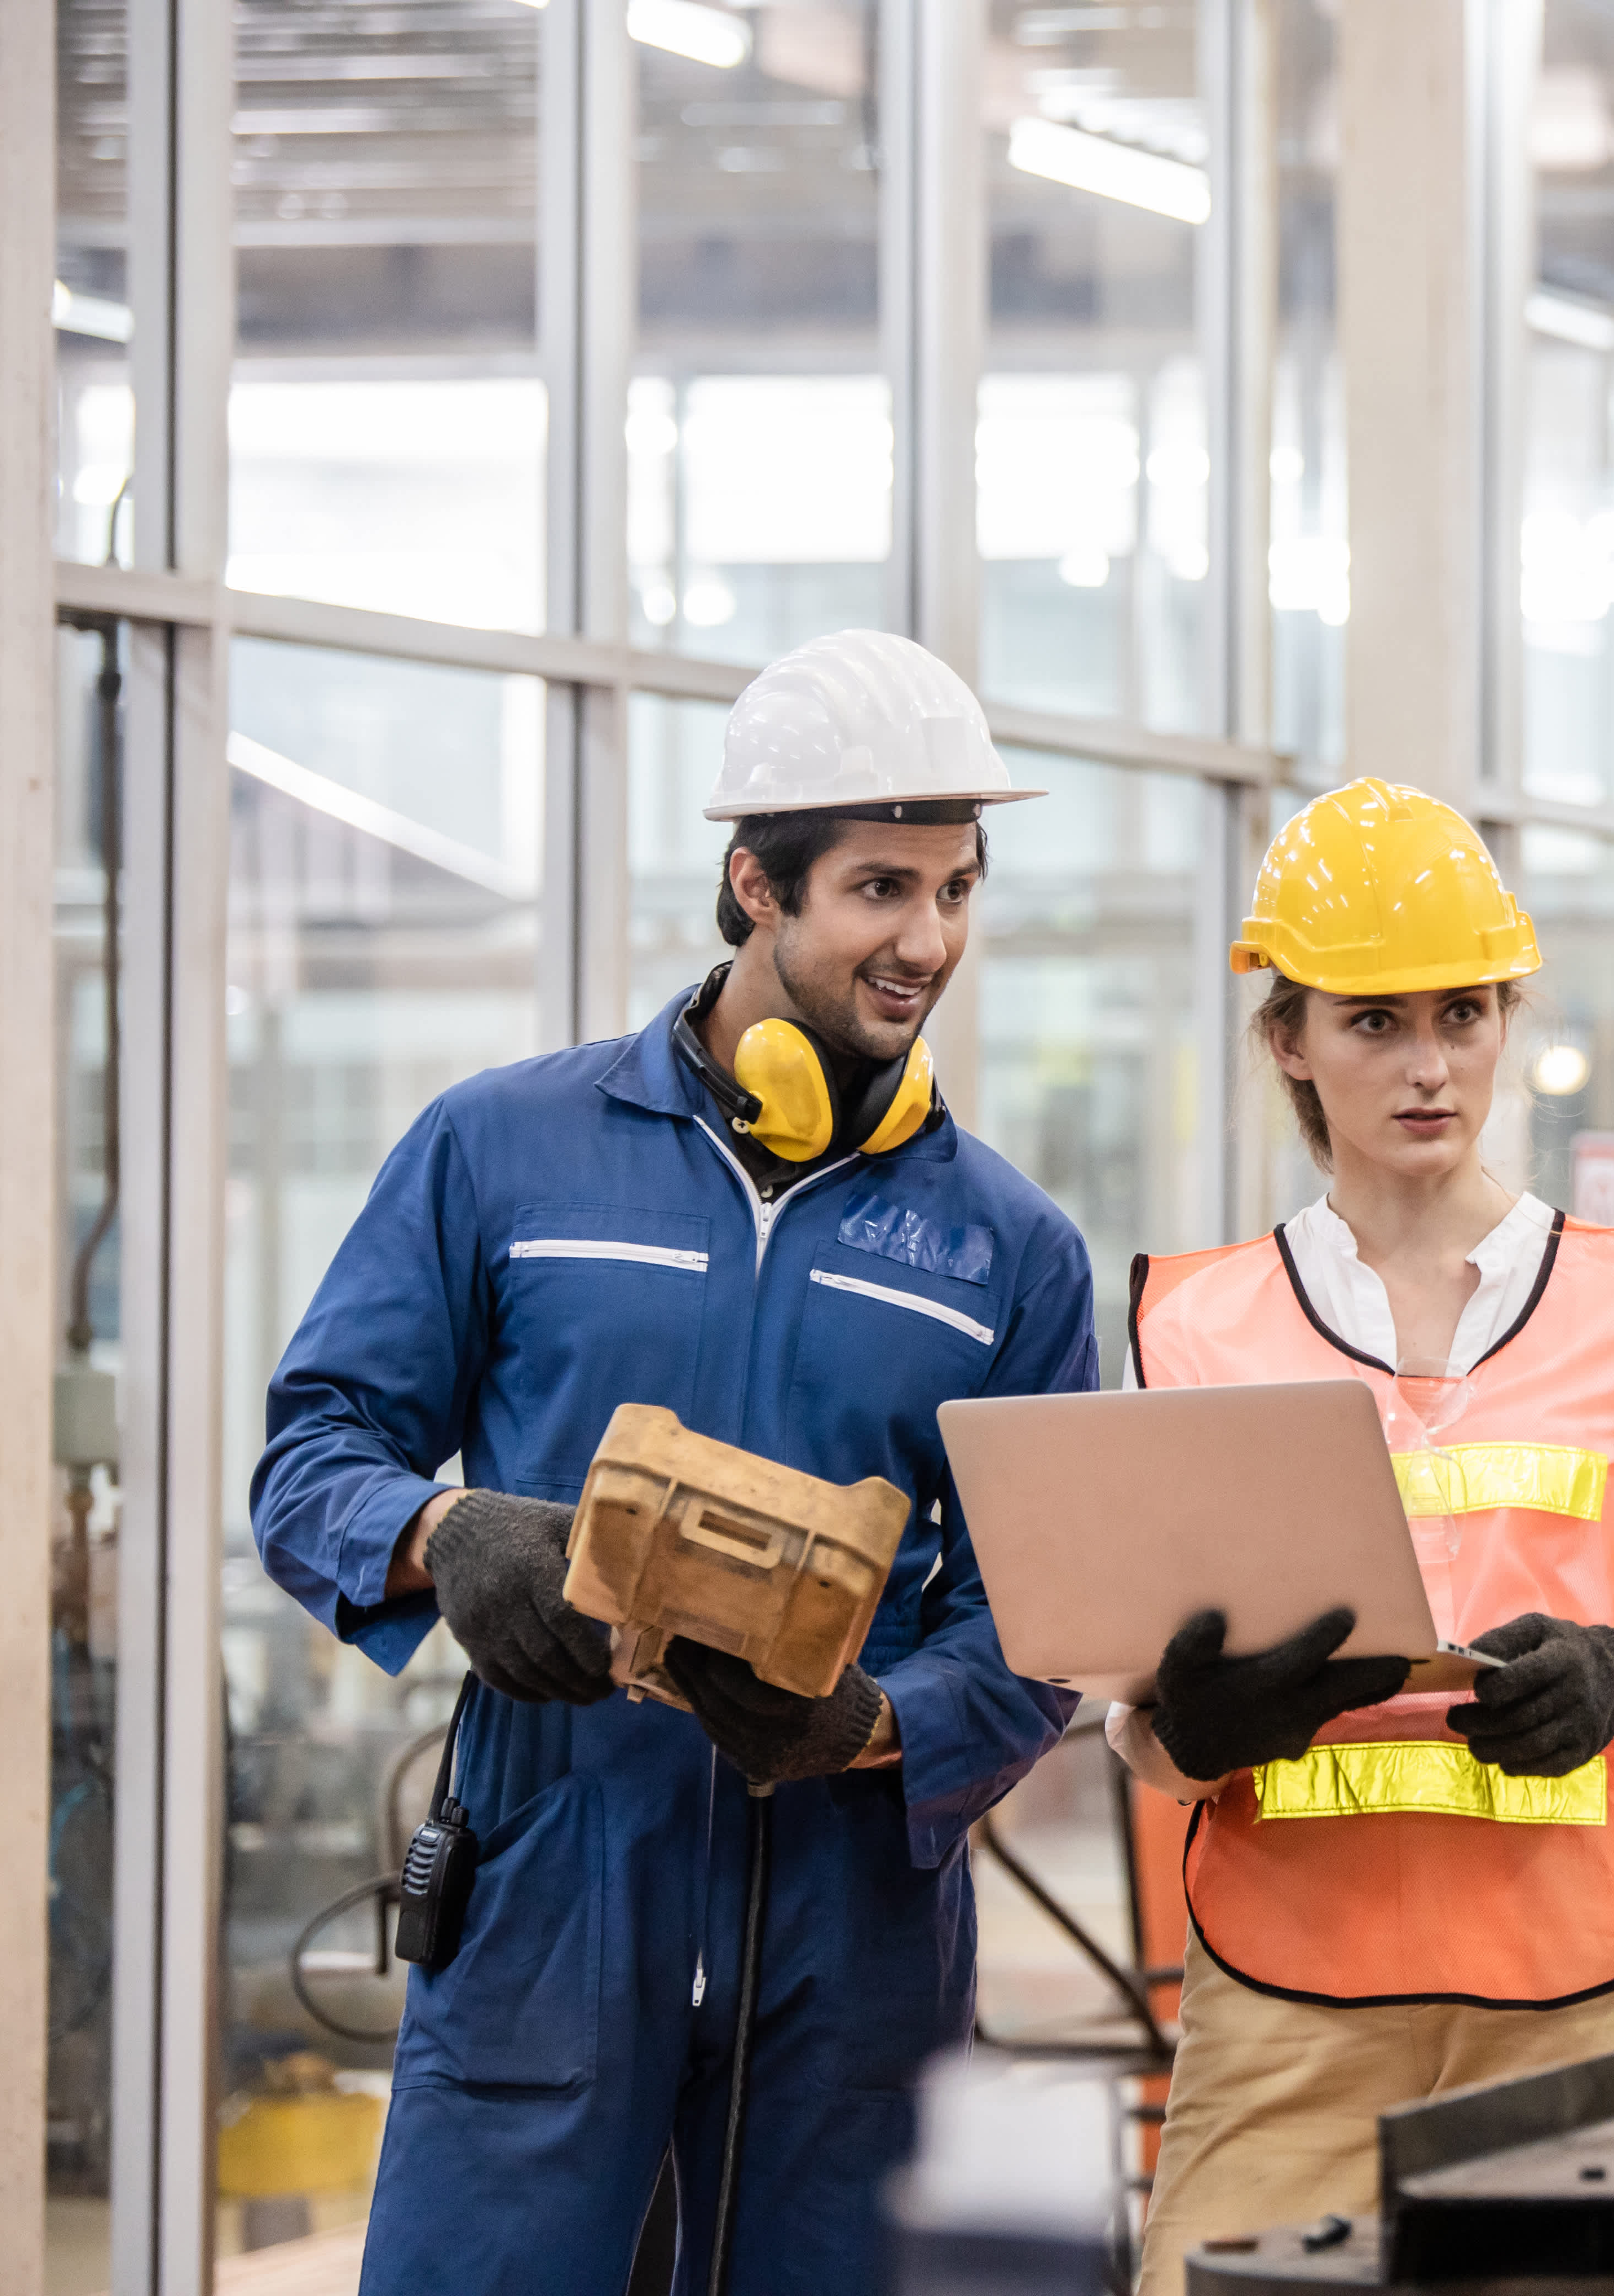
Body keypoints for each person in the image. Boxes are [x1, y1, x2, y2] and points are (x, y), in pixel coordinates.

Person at [252, 630, 1099, 2295]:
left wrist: (874, 1727)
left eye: (955, 890)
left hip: (851, 1955)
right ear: (755, 888)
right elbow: (311, 1456)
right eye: (878, 890)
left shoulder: (1011, 1251)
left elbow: (1038, 1626)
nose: (926, 939)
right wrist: (448, 1535)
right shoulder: (504, 1151)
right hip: (550, 1914)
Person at [1115, 778, 1614, 2295]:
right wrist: (1192, 1730)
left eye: (1464, 1014)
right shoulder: (1194, 1325)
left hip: (1573, 2001)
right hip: (1287, 2005)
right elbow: (1141, 1739)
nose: (1430, 1065)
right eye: (1374, 1022)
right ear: (1288, 1039)